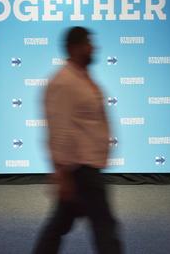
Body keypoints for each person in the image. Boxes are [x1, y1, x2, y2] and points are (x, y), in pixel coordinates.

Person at [33, 27, 122, 254]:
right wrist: (63, 175)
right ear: (74, 48)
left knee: (59, 226)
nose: (93, 47)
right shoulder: (64, 82)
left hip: (84, 169)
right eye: (88, 43)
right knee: (105, 229)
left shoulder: (80, 77)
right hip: (79, 171)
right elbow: (59, 131)